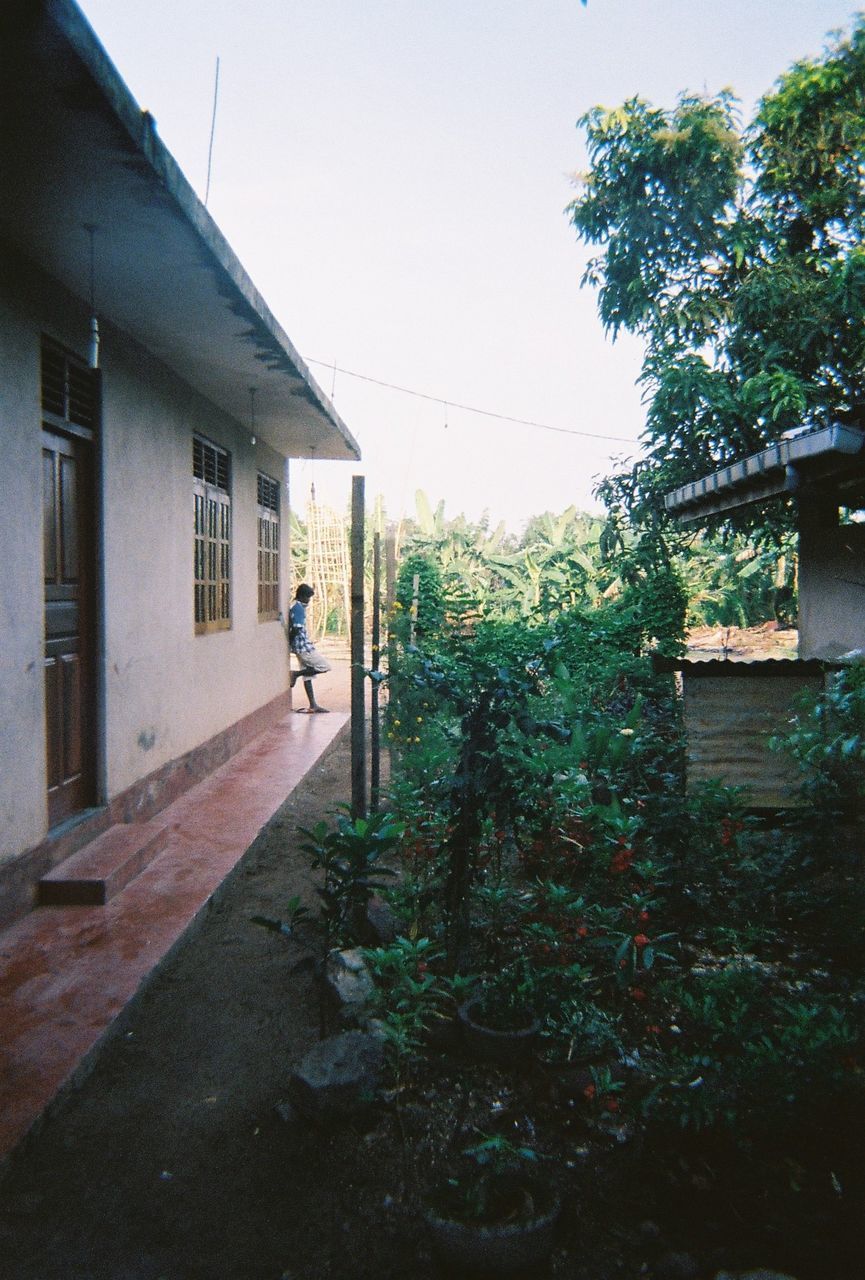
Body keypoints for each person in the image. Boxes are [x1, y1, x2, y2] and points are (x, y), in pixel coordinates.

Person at [288, 583, 331, 713]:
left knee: (308, 676)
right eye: (308, 598)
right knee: (324, 666)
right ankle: (295, 674)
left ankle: (313, 704)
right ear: (301, 596)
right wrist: (290, 642)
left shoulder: (295, 606)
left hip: (300, 646)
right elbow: (296, 628)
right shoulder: (298, 608)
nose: (309, 601)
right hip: (303, 647)